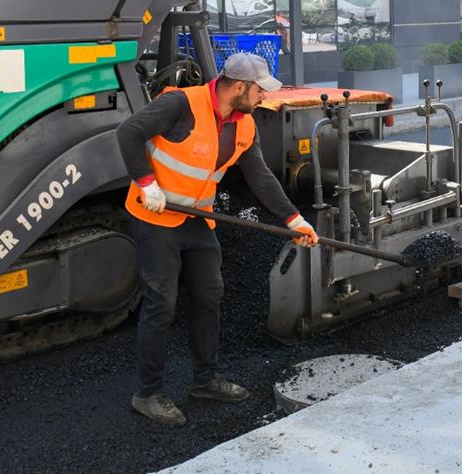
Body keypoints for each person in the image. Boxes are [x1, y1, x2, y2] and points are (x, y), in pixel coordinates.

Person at [117, 52, 318, 426]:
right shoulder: (180, 104)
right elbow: (128, 133)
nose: (265, 97)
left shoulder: (244, 123)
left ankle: (205, 380)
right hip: (155, 217)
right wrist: (147, 182)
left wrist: (294, 219)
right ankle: (148, 393)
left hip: (198, 221)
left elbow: (260, 177)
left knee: (210, 296)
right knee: (162, 302)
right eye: (260, 90)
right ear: (239, 86)